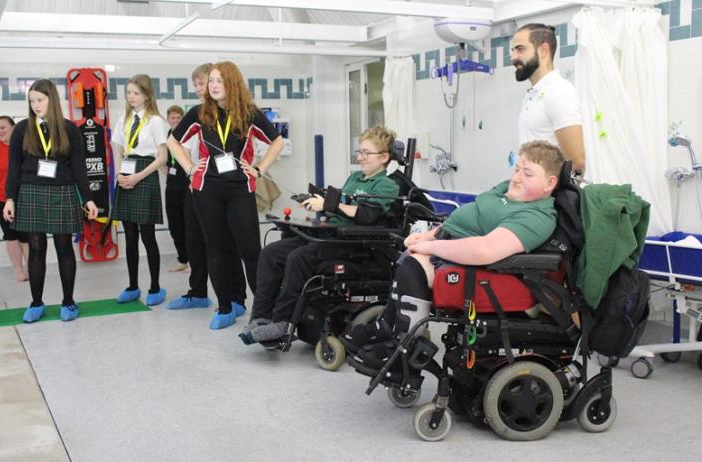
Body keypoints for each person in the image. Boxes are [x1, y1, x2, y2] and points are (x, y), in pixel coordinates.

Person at [344, 140, 564, 368]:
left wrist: (430, 247)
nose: (516, 177)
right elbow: (468, 217)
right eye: (516, 169)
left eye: (527, 174)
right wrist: (430, 236)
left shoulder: (537, 217)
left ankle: (404, 349)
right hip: (449, 241)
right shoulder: (508, 190)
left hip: (480, 269)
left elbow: (485, 250)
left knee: (414, 265)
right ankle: (387, 328)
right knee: (408, 258)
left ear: (549, 183)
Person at [240, 125, 402, 344]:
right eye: (359, 152)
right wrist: (319, 206)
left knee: (298, 258)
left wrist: (329, 204)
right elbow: (341, 206)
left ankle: (281, 323)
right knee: (271, 253)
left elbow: (367, 215)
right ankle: (260, 318)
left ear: (384, 157)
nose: (361, 157)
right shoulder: (354, 178)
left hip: (354, 243)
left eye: (366, 153)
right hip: (331, 234)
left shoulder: (387, 186)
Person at [168, 61, 284, 330]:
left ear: (232, 83)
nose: (214, 85)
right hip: (206, 188)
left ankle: (263, 310)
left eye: (220, 80)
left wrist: (259, 169)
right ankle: (224, 307)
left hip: (240, 188)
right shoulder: (199, 113)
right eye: (211, 81)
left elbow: (276, 141)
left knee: (251, 251)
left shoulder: (249, 113)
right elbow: (173, 141)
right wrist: (188, 167)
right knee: (216, 248)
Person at [3, 79, 99, 323]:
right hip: (31, 191)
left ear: (52, 100)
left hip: (63, 191)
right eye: (32, 101)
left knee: (64, 247)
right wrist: (10, 198)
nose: (36, 105)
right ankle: (36, 303)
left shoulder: (69, 129)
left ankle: (68, 302)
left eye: (40, 100)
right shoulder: (23, 129)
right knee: (35, 250)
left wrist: (88, 199)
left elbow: (79, 167)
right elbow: (13, 167)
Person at [165, 64, 248, 313]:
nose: (202, 89)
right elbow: (179, 144)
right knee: (196, 239)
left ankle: (237, 297)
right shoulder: (197, 114)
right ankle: (198, 291)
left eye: (205, 83)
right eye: (199, 85)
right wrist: (191, 168)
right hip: (196, 184)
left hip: (221, 185)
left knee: (227, 242)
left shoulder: (230, 113)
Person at [110, 74, 169, 307]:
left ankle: (155, 286)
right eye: (128, 93)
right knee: (130, 237)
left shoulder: (155, 120)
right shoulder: (123, 118)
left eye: (135, 93)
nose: (131, 97)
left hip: (145, 172)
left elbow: (162, 156)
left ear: (146, 95)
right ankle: (133, 286)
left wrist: (137, 177)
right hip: (126, 170)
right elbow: (117, 148)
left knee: (147, 235)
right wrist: (118, 175)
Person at [512, 24, 585, 173]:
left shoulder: (559, 92)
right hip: (533, 193)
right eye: (513, 51)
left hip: (550, 194)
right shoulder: (532, 96)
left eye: (520, 49)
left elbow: (576, 163)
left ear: (544, 50)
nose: (513, 58)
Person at [0, 116, 29, 282]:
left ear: (13, 127)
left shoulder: (25, 146)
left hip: (23, 197)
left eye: (3, 127)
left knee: (26, 236)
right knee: (10, 235)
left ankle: (32, 270)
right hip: (0, 199)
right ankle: (18, 270)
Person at [164, 104, 189, 272]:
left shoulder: (188, 136)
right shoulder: (167, 136)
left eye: (179, 117)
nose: (176, 120)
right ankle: (182, 259)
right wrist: (162, 167)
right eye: (173, 117)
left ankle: (194, 261)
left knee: (189, 225)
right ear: (168, 119)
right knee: (175, 224)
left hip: (186, 184)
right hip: (171, 184)